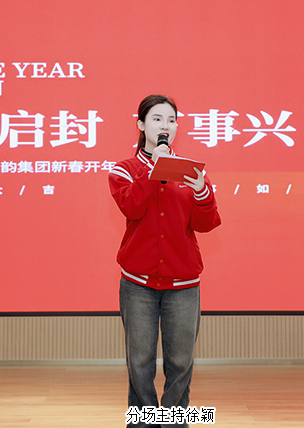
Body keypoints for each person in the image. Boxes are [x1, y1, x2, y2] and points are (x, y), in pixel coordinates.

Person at [108, 94, 222, 428]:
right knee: (140, 363)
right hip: (138, 285)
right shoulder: (124, 170)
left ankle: (173, 423)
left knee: (180, 363)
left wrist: (201, 190)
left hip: (183, 285)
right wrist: (155, 170)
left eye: (171, 120)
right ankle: (143, 424)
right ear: (141, 125)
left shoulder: (189, 171)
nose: (165, 126)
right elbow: (132, 207)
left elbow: (207, 223)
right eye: (157, 119)